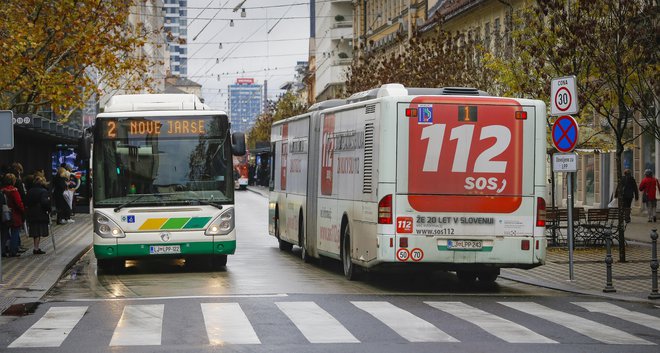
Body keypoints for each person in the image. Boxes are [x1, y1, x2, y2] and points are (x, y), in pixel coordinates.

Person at [1, 173, 25, 257]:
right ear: (13, 181)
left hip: (4, 214)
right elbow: (19, 203)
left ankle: (2, 250)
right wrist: (23, 210)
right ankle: (13, 251)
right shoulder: (14, 191)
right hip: (14, 214)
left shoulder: (2, 190)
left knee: (4, 233)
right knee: (15, 232)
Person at [25, 175, 51, 254]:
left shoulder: (30, 191)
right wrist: (48, 208)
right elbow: (44, 203)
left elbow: (26, 202)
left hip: (31, 212)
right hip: (40, 213)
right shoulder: (43, 191)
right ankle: (36, 248)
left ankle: (36, 247)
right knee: (38, 231)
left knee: (35, 230)